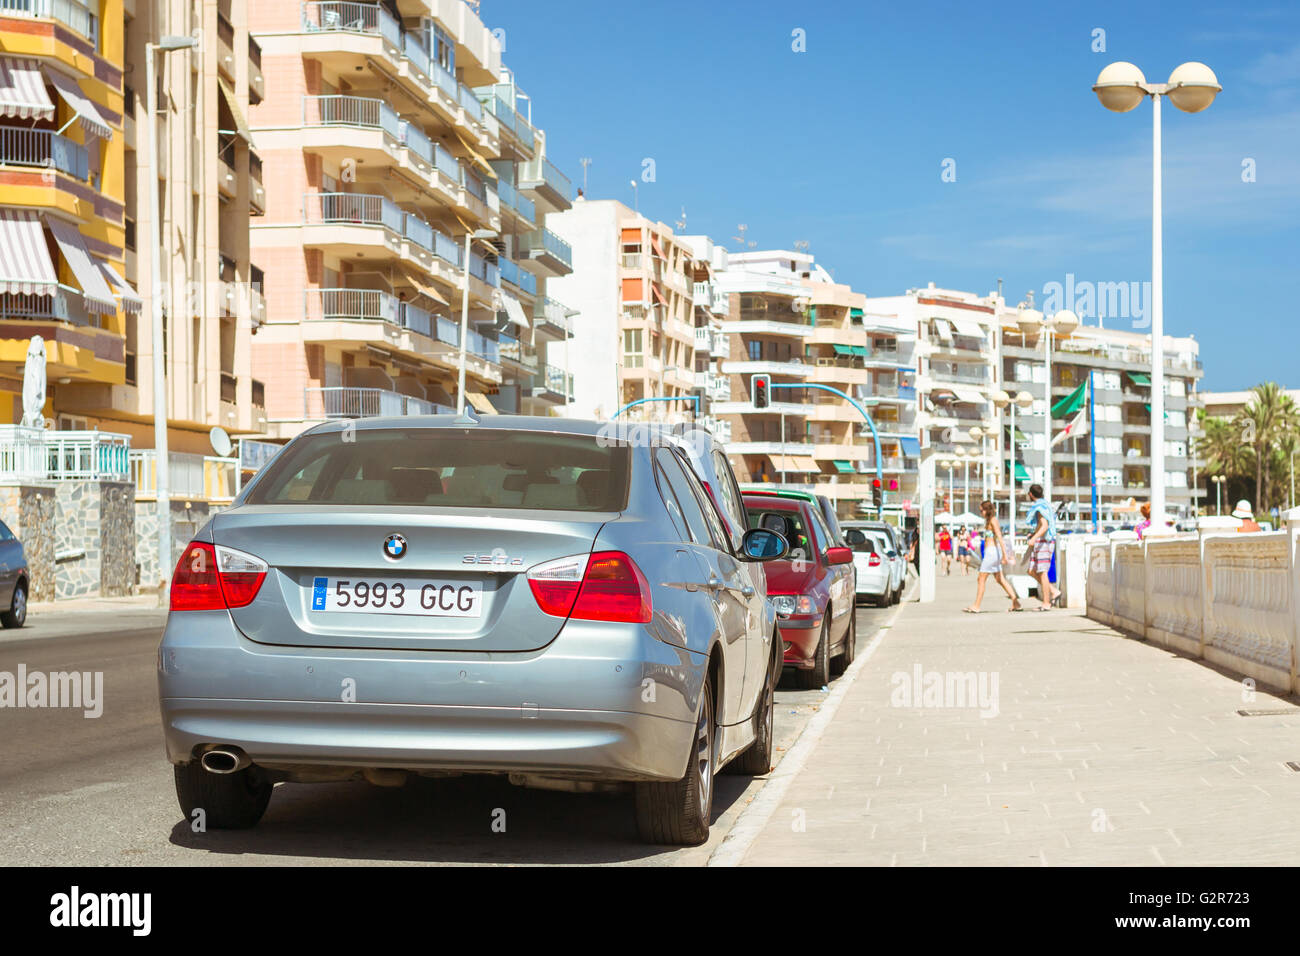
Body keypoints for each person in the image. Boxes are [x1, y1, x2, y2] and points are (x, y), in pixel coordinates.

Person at [963, 500, 1021, 613]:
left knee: (981, 579)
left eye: (981, 511)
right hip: (992, 552)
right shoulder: (989, 521)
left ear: (987, 510)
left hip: (992, 553)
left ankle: (976, 605)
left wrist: (1005, 556)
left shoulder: (993, 521)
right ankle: (1016, 603)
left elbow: (999, 537)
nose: (981, 513)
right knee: (1000, 579)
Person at [1023, 483, 1059, 610]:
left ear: (1031, 494)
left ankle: (1046, 603)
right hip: (1042, 541)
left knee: (1042, 572)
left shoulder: (1040, 507)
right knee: (1031, 571)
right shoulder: (1044, 505)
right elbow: (1042, 525)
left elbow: (1044, 526)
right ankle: (1053, 591)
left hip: (1044, 541)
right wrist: (1033, 534)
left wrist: (1033, 538)